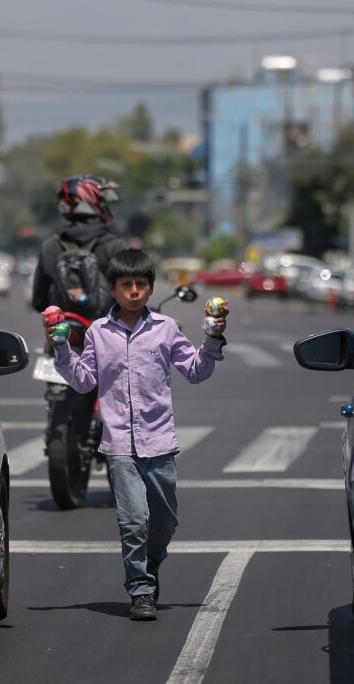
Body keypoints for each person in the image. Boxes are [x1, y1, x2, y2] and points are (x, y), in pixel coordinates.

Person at [45, 249, 229, 621]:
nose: (133, 292)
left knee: (164, 522)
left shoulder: (165, 328)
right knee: (133, 522)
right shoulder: (99, 331)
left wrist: (212, 338)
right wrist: (61, 346)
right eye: (125, 285)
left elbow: (194, 370)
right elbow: (83, 381)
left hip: (160, 442)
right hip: (118, 444)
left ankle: (150, 564)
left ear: (150, 288)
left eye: (140, 285)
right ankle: (141, 590)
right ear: (112, 289)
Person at [31, 174, 126, 319]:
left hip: (64, 337)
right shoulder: (115, 246)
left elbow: (39, 302)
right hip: (108, 337)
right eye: (104, 202)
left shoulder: (49, 247)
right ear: (90, 202)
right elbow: (129, 298)